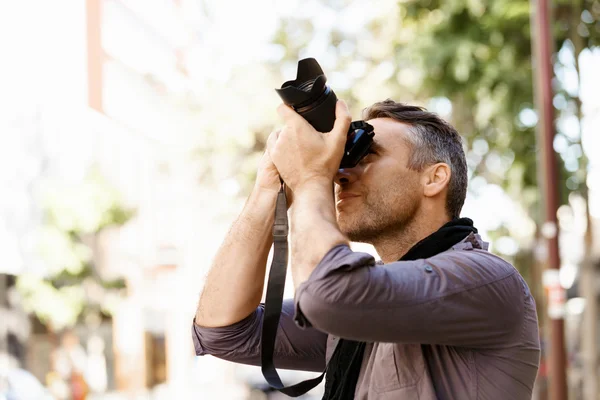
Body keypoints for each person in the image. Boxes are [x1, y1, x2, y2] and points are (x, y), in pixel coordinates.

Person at [192, 99, 540, 399]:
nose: (342, 173)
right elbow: (223, 331)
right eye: (345, 156)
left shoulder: (486, 280)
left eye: (366, 152)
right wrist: (270, 185)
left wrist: (311, 175)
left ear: (434, 178)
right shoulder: (367, 305)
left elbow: (331, 295)